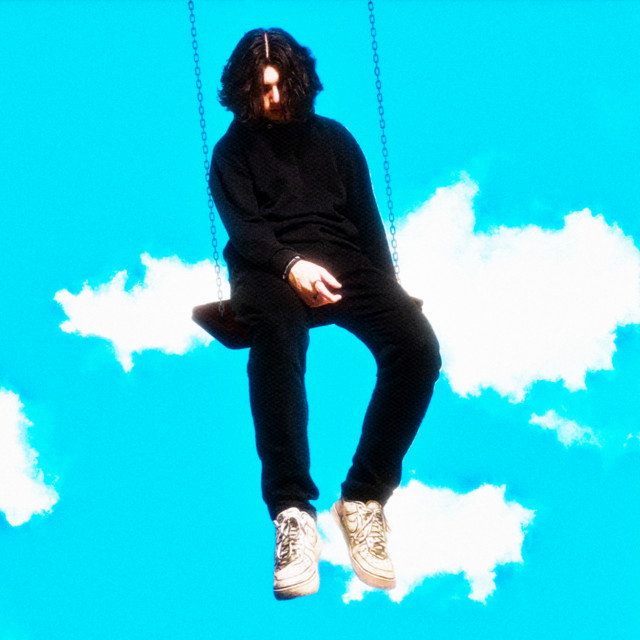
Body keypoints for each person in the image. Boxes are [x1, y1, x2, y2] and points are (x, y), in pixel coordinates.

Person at [209, 28, 441, 600]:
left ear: (299, 81)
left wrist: (390, 293)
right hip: (266, 269)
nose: (272, 97)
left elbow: (367, 222)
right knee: (276, 333)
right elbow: (246, 231)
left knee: (418, 348)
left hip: (344, 262)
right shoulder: (232, 152)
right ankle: (292, 512)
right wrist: (291, 266)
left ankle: (363, 500)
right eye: (260, 88)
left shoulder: (336, 139)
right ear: (243, 89)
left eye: (279, 85)